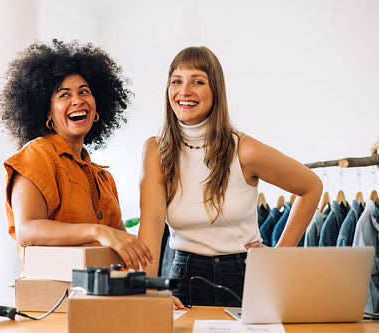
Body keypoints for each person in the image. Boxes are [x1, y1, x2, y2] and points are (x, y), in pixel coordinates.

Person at [138, 46, 322, 308]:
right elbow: (153, 223)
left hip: (243, 276)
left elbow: (311, 186)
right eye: (176, 81)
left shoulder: (244, 149)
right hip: (184, 276)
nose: (184, 91)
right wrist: (149, 289)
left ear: (216, 91)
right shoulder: (157, 150)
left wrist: (279, 255)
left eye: (197, 81)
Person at [0, 40, 152, 270]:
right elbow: (27, 231)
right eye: (63, 95)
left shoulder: (103, 178)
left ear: (97, 107)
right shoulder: (36, 155)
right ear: (47, 111)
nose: (77, 100)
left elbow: (125, 253)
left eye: (84, 92)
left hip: (102, 298)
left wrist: (152, 293)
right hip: (54, 298)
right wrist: (99, 231)